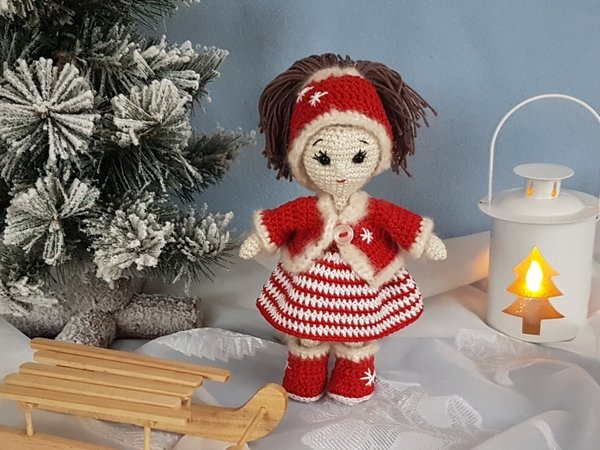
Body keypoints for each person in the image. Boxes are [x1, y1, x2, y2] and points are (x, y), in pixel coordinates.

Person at [240, 54, 447, 404]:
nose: (340, 172)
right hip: (313, 284)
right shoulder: (307, 209)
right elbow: (280, 221)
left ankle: (354, 374)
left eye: (357, 158)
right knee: (308, 331)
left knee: (357, 333)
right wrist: (259, 239)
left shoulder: (374, 210)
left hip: (360, 287)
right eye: (323, 158)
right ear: (301, 158)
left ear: (377, 157)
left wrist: (426, 241)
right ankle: (305, 373)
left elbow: (402, 223)